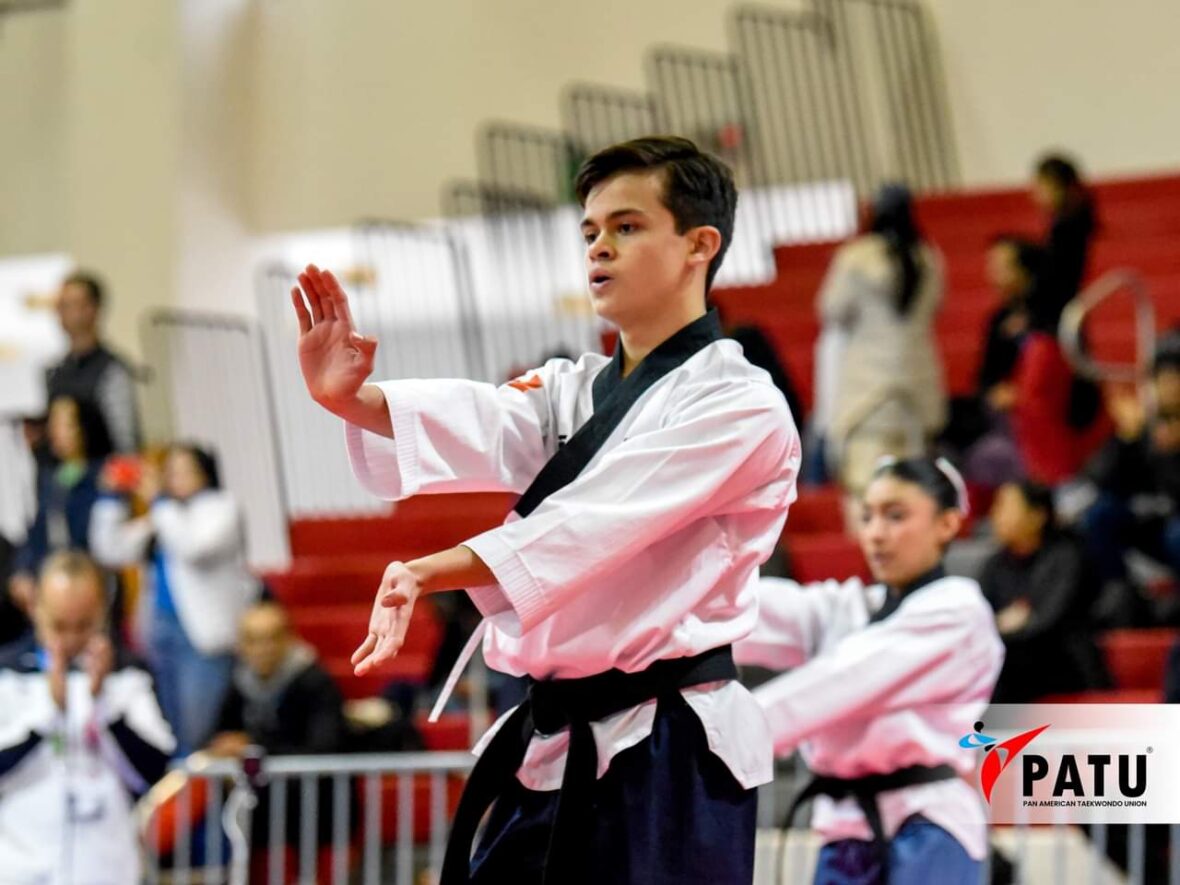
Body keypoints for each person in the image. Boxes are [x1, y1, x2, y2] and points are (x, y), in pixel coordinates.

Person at [291, 136, 800, 885]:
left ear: (700, 244)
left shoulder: (741, 405)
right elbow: (487, 418)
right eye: (590, 232)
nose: (599, 248)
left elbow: (599, 519)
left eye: (626, 227)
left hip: (669, 744)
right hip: (558, 740)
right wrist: (351, 399)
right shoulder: (575, 386)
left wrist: (435, 568)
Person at [734, 457, 1004, 885]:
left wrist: (729, 733)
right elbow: (742, 607)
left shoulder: (959, 610)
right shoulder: (850, 608)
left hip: (929, 824)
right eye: (867, 516)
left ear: (948, 525)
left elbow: (844, 680)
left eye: (896, 516)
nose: (876, 533)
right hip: (845, 830)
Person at [0, 551, 175, 884]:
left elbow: (154, 771)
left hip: (105, 866)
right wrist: (47, 714)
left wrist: (103, 704)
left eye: (83, 625)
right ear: (36, 608)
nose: (69, 640)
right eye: (59, 626)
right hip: (20, 865)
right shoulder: (8, 674)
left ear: (101, 614)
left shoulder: (129, 676)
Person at [90, 443, 260, 755]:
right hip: (159, 635)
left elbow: (193, 547)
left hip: (203, 641)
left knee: (195, 734)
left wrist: (158, 501)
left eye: (184, 471)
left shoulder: (221, 507)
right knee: (168, 731)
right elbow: (109, 549)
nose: (175, 479)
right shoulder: (165, 515)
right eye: (170, 472)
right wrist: (110, 499)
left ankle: (191, 798)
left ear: (205, 473)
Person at [816, 184, 946, 509]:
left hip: (867, 393)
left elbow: (831, 309)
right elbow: (936, 307)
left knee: (867, 486)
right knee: (913, 489)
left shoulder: (857, 257)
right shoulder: (928, 257)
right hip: (916, 390)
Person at [206, 602, 350, 874]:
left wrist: (254, 748)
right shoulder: (239, 683)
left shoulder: (315, 682)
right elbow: (217, 736)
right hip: (260, 810)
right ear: (241, 645)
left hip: (316, 811)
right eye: (253, 640)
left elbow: (326, 750)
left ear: (289, 638)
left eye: (271, 638)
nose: (263, 649)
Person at [982, 481, 1106, 701]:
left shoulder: (1066, 557)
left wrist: (1001, 625)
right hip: (1012, 663)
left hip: (1062, 664)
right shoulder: (994, 565)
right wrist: (1003, 623)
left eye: (1005, 507)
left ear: (1037, 516)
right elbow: (978, 622)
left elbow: (1048, 621)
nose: (995, 515)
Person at [1079, 352, 1180, 620]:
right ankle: (1118, 590)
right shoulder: (1142, 428)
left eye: (1174, 380)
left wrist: (1172, 454)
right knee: (1100, 514)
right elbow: (1100, 478)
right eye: (1162, 381)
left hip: (1174, 525)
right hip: (1149, 521)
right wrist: (1127, 439)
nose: (1168, 389)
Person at [8, 395, 115, 615]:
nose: (54, 431)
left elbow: (93, 534)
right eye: (53, 423)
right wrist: (23, 570)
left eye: (63, 424)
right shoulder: (53, 477)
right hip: (54, 579)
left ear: (83, 428)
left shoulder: (103, 474)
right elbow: (38, 530)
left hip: (91, 580)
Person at [44, 272, 141, 454]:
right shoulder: (55, 371)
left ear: (91, 309)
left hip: (102, 474)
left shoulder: (112, 370)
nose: (61, 313)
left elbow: (125, 441)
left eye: (69, 305)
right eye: (60, 306)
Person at [1029, 153, 1097, 331]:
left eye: (1041, 187)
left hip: (1059, 309)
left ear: (1058, 186)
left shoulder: (1068, 227)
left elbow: (1058, 277)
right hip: (1063, 307)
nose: (1035, 194)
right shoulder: (1066, 223)